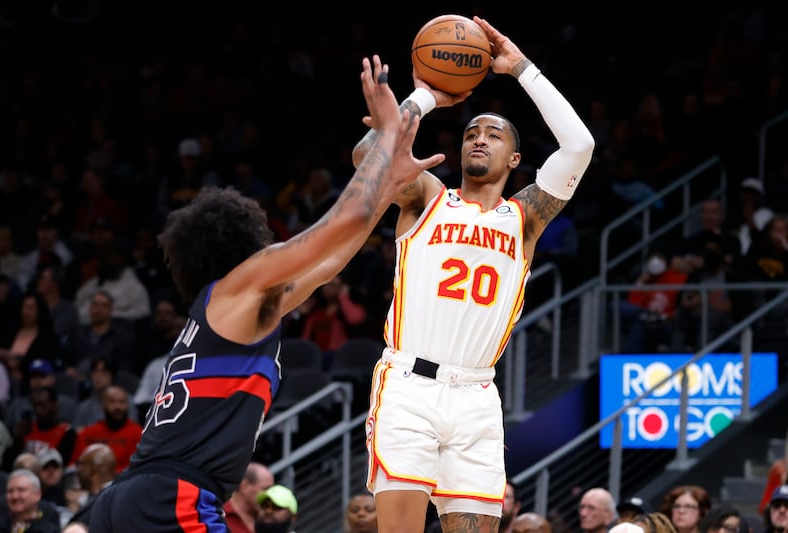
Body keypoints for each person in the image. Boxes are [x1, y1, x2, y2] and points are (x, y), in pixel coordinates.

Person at [87, 55, 444, 532]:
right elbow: (347, 218)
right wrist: (386, 133)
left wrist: (388, 189)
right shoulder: (243, 282)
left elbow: (327, 264)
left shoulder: (231, 310)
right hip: (171, 498)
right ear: (247, 241)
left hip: (131, 497)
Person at [352, 16, 594, 533]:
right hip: (409, 385)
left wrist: (521, 68)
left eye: (494, 133)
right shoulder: (425, 197)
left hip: (478, 395)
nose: (479, 139)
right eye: (470, 132)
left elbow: (579, 146)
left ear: (516, 157)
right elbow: (367, 162)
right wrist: (421, 99)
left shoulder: (524, 217)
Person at [70, 385, 143, 473]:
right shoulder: (86, 434)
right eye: (112, 402)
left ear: (127, 405)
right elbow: (76, 466)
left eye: (122, 402)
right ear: (103, 405)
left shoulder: (139, 434)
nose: (118, 407)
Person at [0, 468, 61, 533]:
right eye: (10, 491)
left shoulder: (49, 530)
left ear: (37, 495)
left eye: (21, 490)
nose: (15, 496)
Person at [67, 442, 117, 528]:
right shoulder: (94, 497)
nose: (77, 471)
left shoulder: (110, 501)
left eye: (80, 464)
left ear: (93, 469)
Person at [223, 461, 275, 533]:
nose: (270, 495)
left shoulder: (268, 518)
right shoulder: (217, 514)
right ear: (245, 486)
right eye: (265, 489)